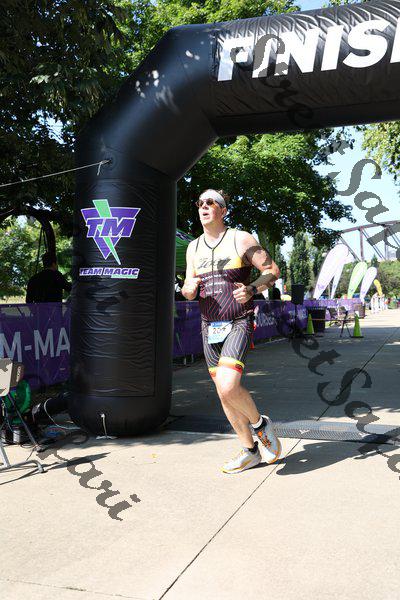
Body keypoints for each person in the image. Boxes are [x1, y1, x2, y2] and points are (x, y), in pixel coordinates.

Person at [181, 188, 281, 474]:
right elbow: (188, 289)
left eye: (210, 202)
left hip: (238, 320)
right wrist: (189, 288)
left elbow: (272, 271)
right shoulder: (193, 247)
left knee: (228, 386)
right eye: (199, 203)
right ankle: (250, 451)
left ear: (223, 210)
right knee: (223, 393)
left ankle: (261, 425)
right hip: (208, 325)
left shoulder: (241, 239)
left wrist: (252, 289)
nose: (203, 207)